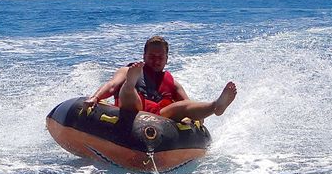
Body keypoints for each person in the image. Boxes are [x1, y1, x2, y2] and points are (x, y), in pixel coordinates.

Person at [84, 36, 237, 122]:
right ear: (144, 56)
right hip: (132, 111)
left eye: (160, 57)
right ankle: (130, 84)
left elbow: (187, 103)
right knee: (128, 90)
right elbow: (111, 86)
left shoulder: (172, 82)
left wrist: (195, 119)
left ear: (166, 59)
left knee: (181, 106)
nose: (156, 60)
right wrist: (95, 98)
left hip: (160, 117)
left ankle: (216, 105)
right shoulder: (127, 70)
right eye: (151, 56)